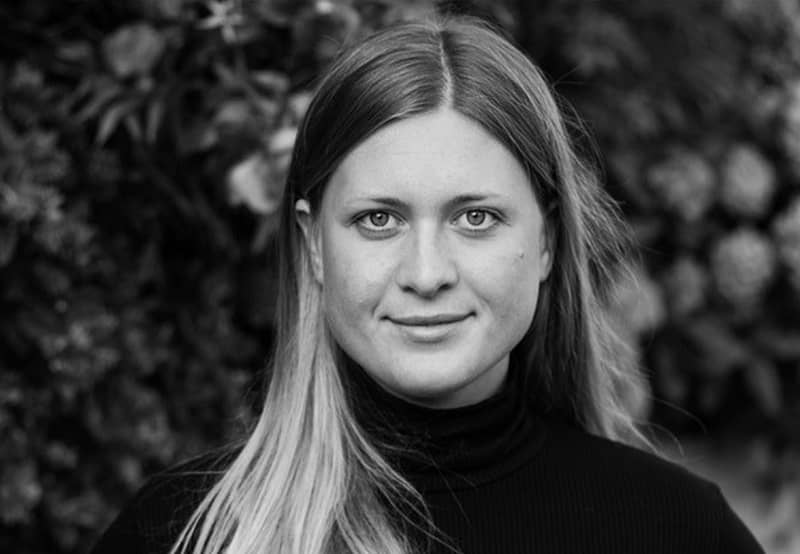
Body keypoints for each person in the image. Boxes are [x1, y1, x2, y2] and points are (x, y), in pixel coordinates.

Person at [91, 14, 765, 554]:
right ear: (314, 246)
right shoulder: (181, 533)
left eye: (476, 218)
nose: (425, 274)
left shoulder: (673, 531)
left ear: (547, 243)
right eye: (378, 219)